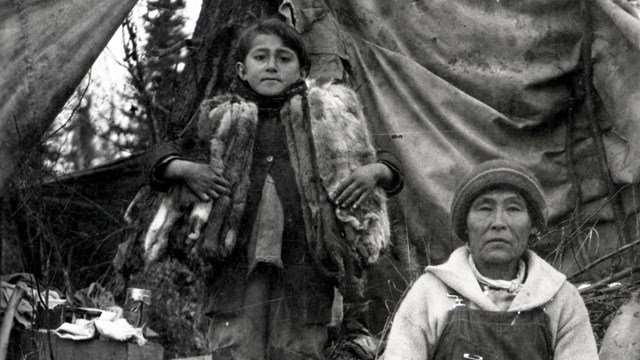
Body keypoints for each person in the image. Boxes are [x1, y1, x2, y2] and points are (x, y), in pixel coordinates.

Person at [146, 18, 403, 360]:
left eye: (284, 58)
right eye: (260, 57)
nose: (271, 66)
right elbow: (159, 157)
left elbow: (387, 163)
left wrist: (375, 172)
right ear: (241, 68)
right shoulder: (221, 118)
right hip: (234, 271)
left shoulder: (328, 116)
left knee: (297, 351)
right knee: (236, 349)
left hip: (307, 271)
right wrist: (186, 169)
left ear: (301, 71)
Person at [382, 159, 598, 360]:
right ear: (465, 225)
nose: (498, 222)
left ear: (532, 225)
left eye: (513, 209)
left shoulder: (560, 299)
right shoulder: (430, 293)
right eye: (484, 208)